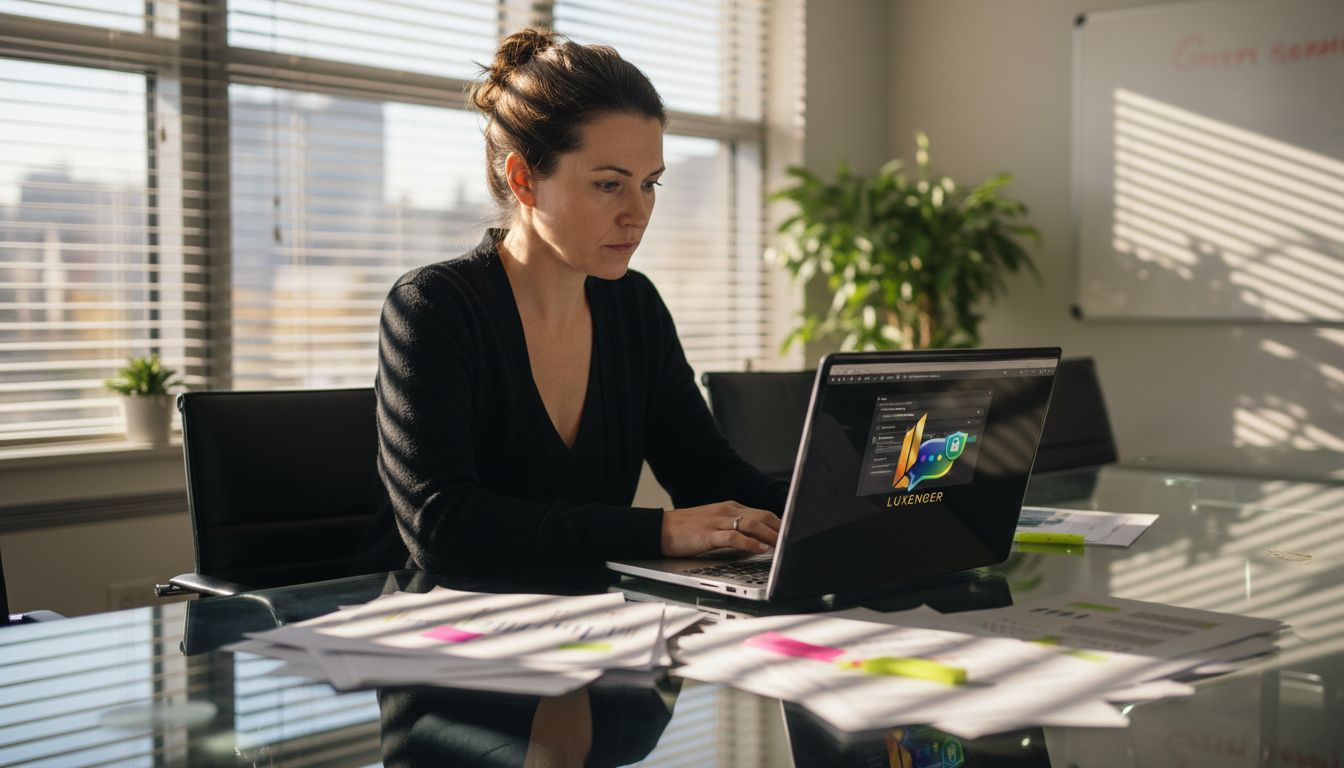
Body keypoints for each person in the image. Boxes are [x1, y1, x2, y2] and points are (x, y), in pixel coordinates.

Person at [366, 27, 785, 576]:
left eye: (650, 183)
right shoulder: (432, 308)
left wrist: (841, 506)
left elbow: (709, 473)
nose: (638, 213)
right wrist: (661, 529)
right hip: (452, 634)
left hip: (604, 627)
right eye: (609, 185)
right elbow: (442, 527)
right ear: (524, 180)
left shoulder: (634, 307)